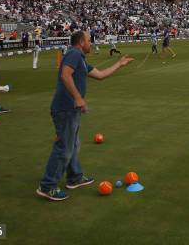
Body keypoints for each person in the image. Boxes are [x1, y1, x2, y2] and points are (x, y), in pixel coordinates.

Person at [37, 30, 133, 201]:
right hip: (64, 108)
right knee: (64, 148)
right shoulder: (73, 54)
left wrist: (119, 64)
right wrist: (78, 98)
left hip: (70, 109)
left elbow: (101, 75)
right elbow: (65, 75)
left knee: (73, 145)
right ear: (81, 41)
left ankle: (74, 177)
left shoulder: (80, 59)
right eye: (89, 40)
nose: (91, 43)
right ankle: (48, 186)